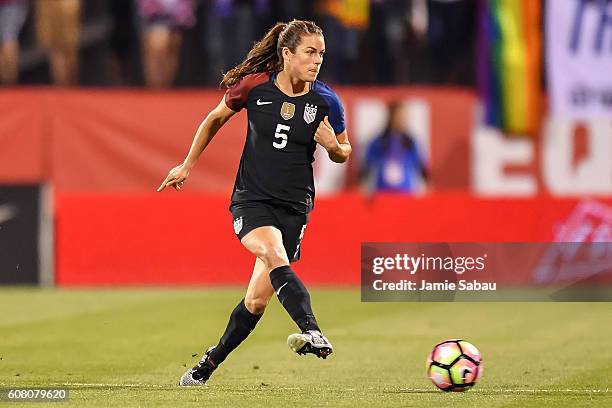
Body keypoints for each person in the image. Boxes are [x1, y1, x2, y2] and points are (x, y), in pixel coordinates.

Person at [157, 19, 351, 386]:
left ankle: (207, 365)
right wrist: (187, 164)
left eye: (321, 54)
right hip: (252, 201)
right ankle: (313, 330)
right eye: (309, 52)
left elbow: (344, 150)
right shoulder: (256, 86)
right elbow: (215, 118)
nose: (317, 61)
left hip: (295, 208)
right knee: (274, 253)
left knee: (256, 302)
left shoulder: (326, 100)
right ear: (287, 53)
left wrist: (334, 148)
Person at [362, 101, 428, 193]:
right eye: (399, 116)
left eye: (404, 116)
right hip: (383, 194)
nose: (402, 119)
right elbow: (367, 167)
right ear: (391, 116)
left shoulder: (410, 142)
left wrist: (428, 187)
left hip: (406, 195)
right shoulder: (379, 141)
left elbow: (421, 167)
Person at [136, 0, 196, 88]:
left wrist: (179, 14)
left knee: (172, 54)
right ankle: (155, 85)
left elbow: (186, 5)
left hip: (176, 21)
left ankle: (166, 84)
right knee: (157, 48)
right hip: (155, 19)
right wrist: (157, 9)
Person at [35, 0, 81, 86]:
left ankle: (63, 88)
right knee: (69, 48)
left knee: (56, 50)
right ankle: (70, 86)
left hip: (52, 6)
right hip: (70, 4)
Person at [0, 0, 28, 85]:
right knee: (9, 38)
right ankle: (9, 85)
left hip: (13, 3)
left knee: (8, 39)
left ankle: (9, 84)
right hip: (14, 4)